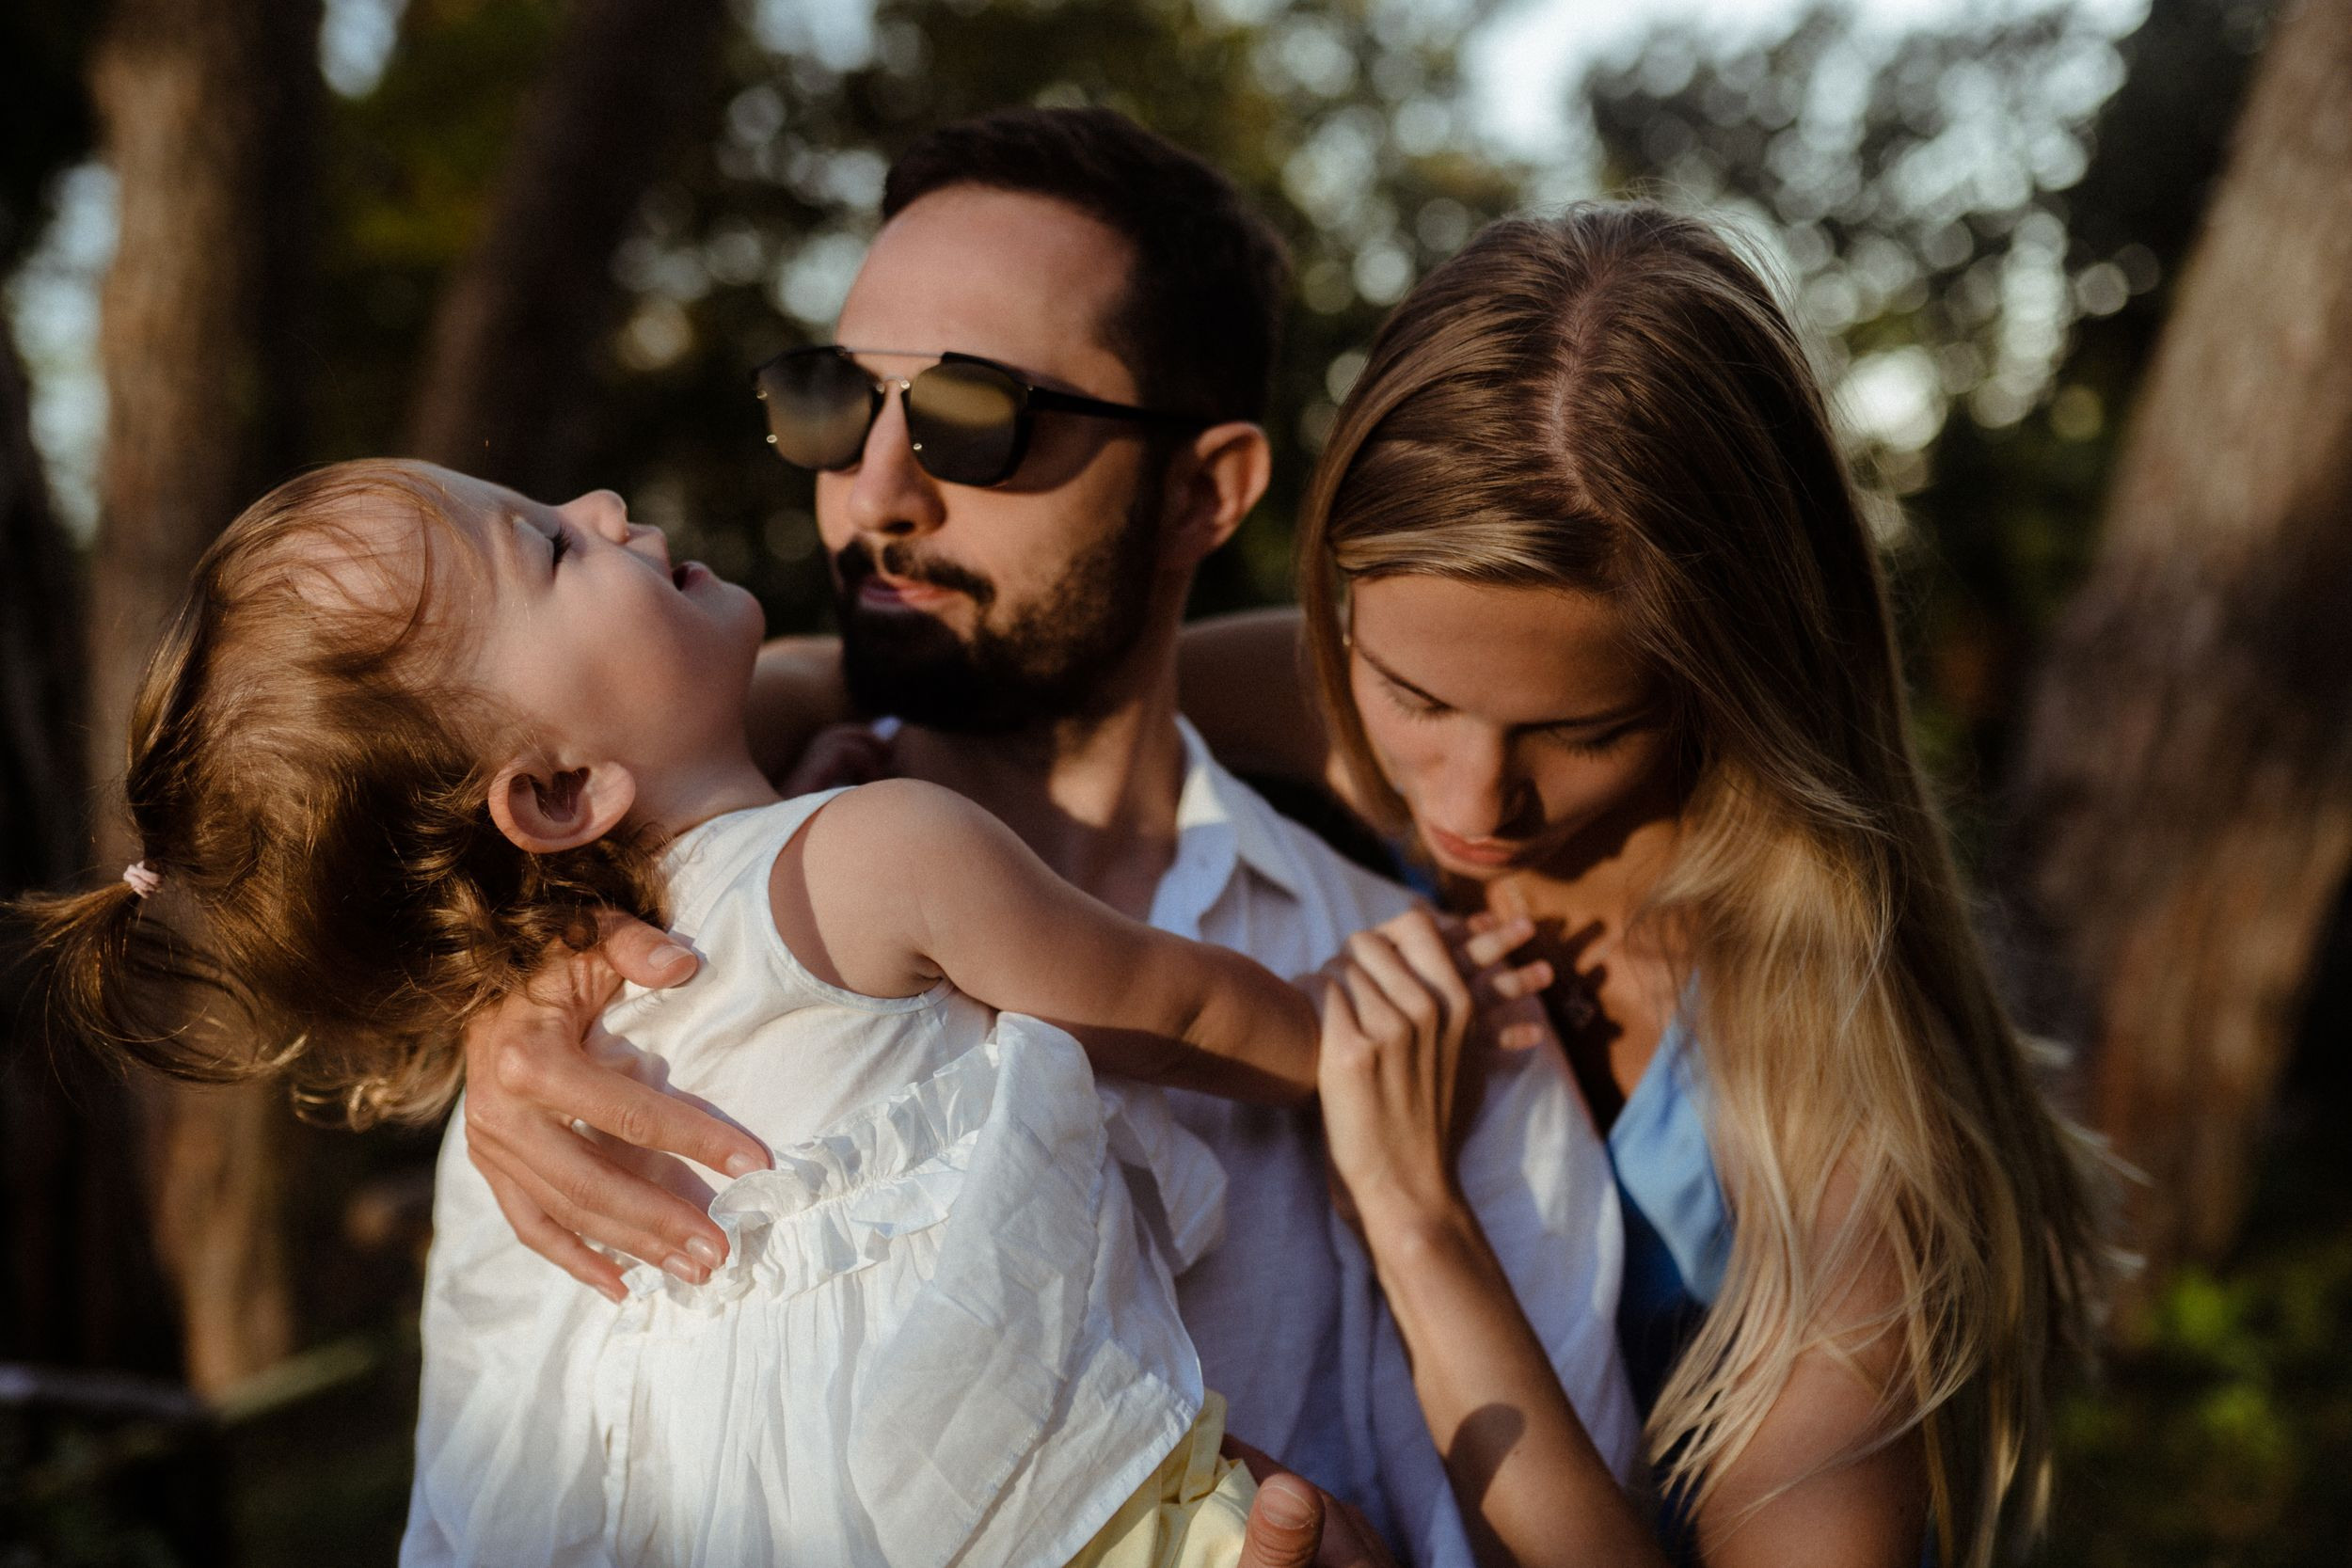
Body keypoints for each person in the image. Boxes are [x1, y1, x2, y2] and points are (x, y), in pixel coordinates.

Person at [445, 108, 1641, 1564]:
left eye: (970, 415)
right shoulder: (587, 1027)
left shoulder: (1418, 1018)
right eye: (832, 403)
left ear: (1207, 490)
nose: (874, 492)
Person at [17, 455, 1545, 1564]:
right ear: (554, 790)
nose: (607, 508)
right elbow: (1178, 1009)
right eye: (552, 548)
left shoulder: (552, 1058)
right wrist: (1364, 1019)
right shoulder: (883, 852)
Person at [1168, 204, 2114, 1566]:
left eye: (1586, 730)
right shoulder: (1351, 706)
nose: (1466, 803)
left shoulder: (1830, 1110)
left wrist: (1415, 1217)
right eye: (1409, 694)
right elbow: (894, 689)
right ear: (1340, 600)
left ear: (1735, 678)